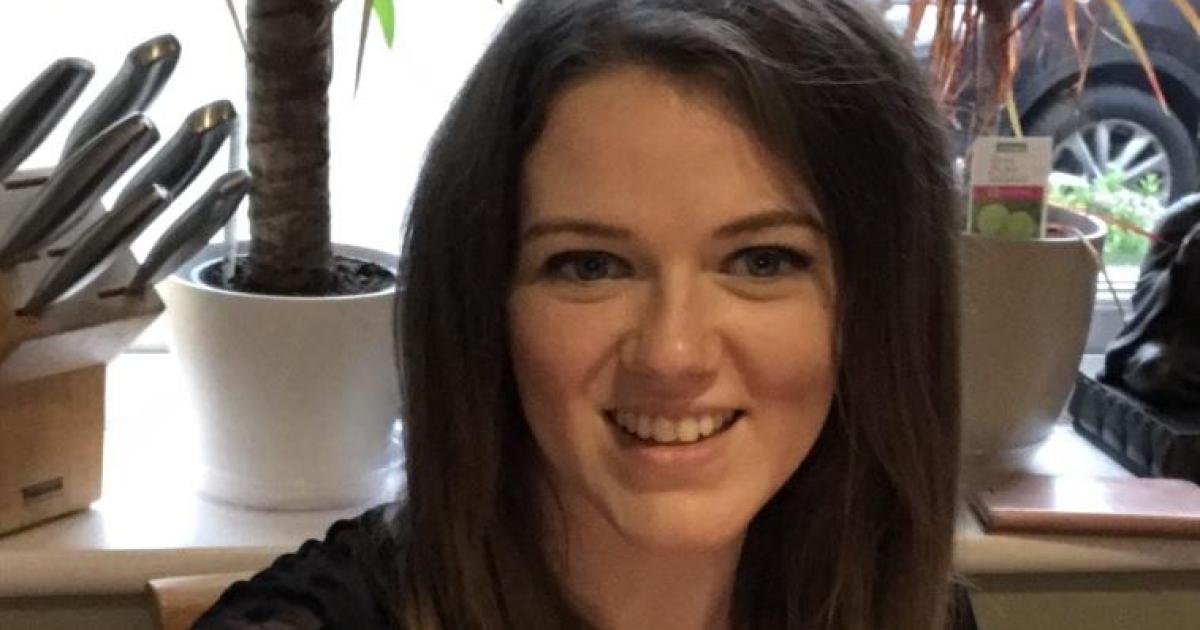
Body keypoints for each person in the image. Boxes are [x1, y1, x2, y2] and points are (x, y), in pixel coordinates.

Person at [195, 0, 968, 628]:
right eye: (590, 266)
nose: (672, 354)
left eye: (762, 262)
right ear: (482, 306)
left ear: (881, 306)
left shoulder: (907, 608)